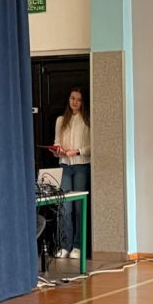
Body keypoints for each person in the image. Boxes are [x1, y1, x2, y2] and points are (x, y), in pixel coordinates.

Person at [50, 87, 90, 260]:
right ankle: (65, 245)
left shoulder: (88, 120)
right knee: (65, 207)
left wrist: (78, 151)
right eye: (72, 98)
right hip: (65, 165)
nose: (75, 102)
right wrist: (57, 150)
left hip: (82, 165)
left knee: (79, 207)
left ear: (83, 102)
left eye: (78, 99)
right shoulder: (61, 120)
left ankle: (78, 245)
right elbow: (56, 143)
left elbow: (93, 146)